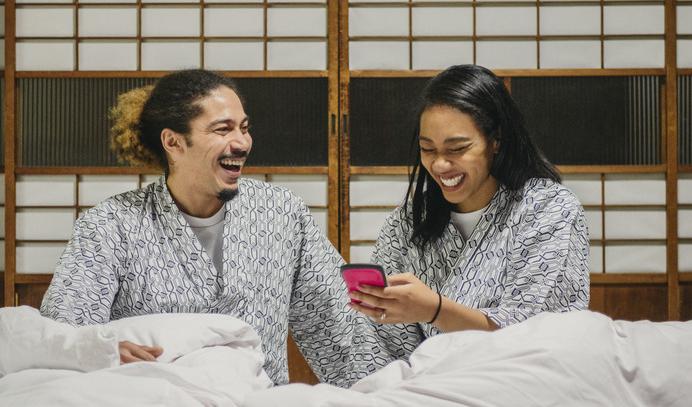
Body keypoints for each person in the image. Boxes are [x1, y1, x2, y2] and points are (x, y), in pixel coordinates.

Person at [40, 69, 358, 387]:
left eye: (244, 129)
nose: (242, 143)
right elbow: (63, 334)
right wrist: (103, 352)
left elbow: (339, 325)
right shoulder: (111, 225)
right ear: (174, 142)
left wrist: (381, 390)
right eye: (223, 130)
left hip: (259, 400)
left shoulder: (282, 212)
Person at [347, 64, 590, 375]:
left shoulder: (548, 208)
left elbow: (534, 336)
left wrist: (433, 309)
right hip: (428, 393)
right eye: (427, 149)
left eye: (458, 148)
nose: (441, 164)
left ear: (496, 140)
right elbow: (379, 344)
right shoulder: (406, 224)